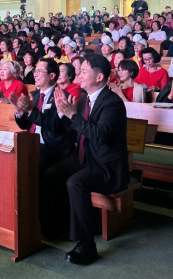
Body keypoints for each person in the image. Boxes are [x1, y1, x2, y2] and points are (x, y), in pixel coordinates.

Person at [45, 54, 128, 265]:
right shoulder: (84, 98)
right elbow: (76, 134)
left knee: (75, 183)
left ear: (99, 77)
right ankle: (66, 226)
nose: (79, 75)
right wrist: (65, 115)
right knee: (51, 175)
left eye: (83, 71)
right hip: (85, 157)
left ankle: (87, 245)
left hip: (105, 164)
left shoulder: (113, 103)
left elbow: (99, 135)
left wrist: (73, 115)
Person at [10, 58, 74, 239]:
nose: (35, 75)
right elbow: (24, 125)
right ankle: (21, 220)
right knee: (9, 162)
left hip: (54, 148)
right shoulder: (35, 95)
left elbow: (55, 126)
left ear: (52, 76)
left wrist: (31, 111)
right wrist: (20, 112)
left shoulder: (61, 95)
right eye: (35, 71)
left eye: (39, 71)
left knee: (31, 170)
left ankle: (47, 225)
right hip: (33, 143)